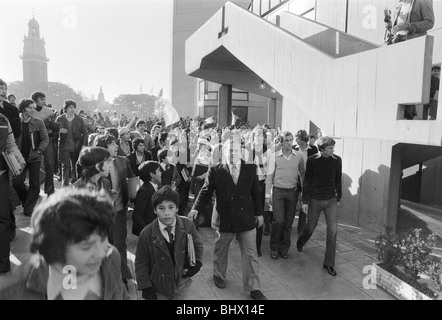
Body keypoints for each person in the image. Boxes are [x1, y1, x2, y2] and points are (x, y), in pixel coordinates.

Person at [0, 188, 130, 300]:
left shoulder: (111, 257)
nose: (102, 253)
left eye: (102, 239)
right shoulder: (13, 292)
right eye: (86, 246)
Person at [189, 138, 267, 300]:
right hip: (225, 218)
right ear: (223, 152)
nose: (232, 153)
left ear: (241, 151)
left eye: (236, 150)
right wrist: (195, 208)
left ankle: (254, 287)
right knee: (221, 250)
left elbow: (255, 193)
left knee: (251, 254)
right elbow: (205, 191)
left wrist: (259, 214)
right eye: (229, 150)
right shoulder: (216, 170)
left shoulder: (250, 168)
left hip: (246, 218)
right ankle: (218, 274)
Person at [135, 186, 203, 300]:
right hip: (159, 287)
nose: (167, 213)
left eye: (170, 207)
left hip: (182, 283)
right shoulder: (146, 234)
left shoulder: (187, 224)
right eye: (161, 208)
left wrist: (198, 263)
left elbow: (197, 245)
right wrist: (146, 288)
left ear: (177, 208)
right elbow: (141, 263)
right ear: (154, 210)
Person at [296, 136, 342, 277]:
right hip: (315, 199)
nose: (332, 150)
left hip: (331, 200)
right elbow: (307, 181)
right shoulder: (312, 161)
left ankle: (329, 263)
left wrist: (338, 197)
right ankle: (302, 240)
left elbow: (338, 179)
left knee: (333, 230)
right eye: (330, 148)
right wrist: (305, 201)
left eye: (333, 147)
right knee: (311, 226)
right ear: (321, 149)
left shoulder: (337, 160)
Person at [94, 134, 134, 284]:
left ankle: (121, 275)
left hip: (119, 209)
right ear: (103, 148)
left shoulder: (123, 161)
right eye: (112, 144)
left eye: (116, 144)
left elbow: (132, 178)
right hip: (101, 211)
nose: (116, 146)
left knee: (119, 243)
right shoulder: (95, 165)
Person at [265, 131, 304, 260]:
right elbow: (269, 176)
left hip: (292, 192)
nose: (289, 143)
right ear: (281, 142)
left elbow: (302, 175)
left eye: (291, 140)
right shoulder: (274, 156)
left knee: (288, 222)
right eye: (286, 140)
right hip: (278, 191)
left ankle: (284, 248)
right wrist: (267, 195)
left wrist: (303, 193)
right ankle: (274, 247)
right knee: (278, 220)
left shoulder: (299, 156)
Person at [13, 99, 49, 217]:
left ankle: (28, 208)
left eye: (34, 107)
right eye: (30, 108)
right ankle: (26, 201)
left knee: (35, 184)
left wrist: (39, 150)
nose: (33, 110)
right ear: (23, 108)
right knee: (17, 182)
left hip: (34, 157)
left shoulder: (38, 122)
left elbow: (45, 139)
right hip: (19, 158)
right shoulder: (15, 121)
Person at [0, 114, 25, 275]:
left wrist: (19, 159)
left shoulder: (3, 120)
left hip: (1, 173)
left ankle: (3, 263)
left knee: (2, 218)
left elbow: (10, 144)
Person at [31, 91, 60, 195]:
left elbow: (55, 127)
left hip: (47, 141)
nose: (44, 101)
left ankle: (49, 191)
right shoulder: (30, 111)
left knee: (50, 165)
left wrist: (52, 131)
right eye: (41, 99)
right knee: (34, 165)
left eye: (44, 99)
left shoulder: (50, 111)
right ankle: (34, 191)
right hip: (33, 141)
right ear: (35, 101)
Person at [56, 99, 87, 186]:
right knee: (65, 166)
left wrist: (84, 146)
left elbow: (85, 133)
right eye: (70, 107)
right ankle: (65, 185)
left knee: (75, 166)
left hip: (76, 146)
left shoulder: (79, 119)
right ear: (65, 108)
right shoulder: (60, 118)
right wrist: (59, 131)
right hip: (64, 146)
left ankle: (74, 183)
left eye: (74, 108)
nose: (72, 109)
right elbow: (55, 131)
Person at [293, 130, 319, 233]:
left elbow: (316, 164)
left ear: (304, 139)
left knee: (305, 201)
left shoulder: (313, 149)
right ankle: (289, 223)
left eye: (297, 138)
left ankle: (301, 227)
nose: (296, 140)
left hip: (307, 179)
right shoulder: (293, 148)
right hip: (295, 178)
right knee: (293, 200)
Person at [132, 161, 162, 236]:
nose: (161, 173)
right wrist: (148, 232)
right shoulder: (144, 190)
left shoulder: (156, 187)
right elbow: (137, 215)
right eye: (158, 170)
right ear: (152, 174)